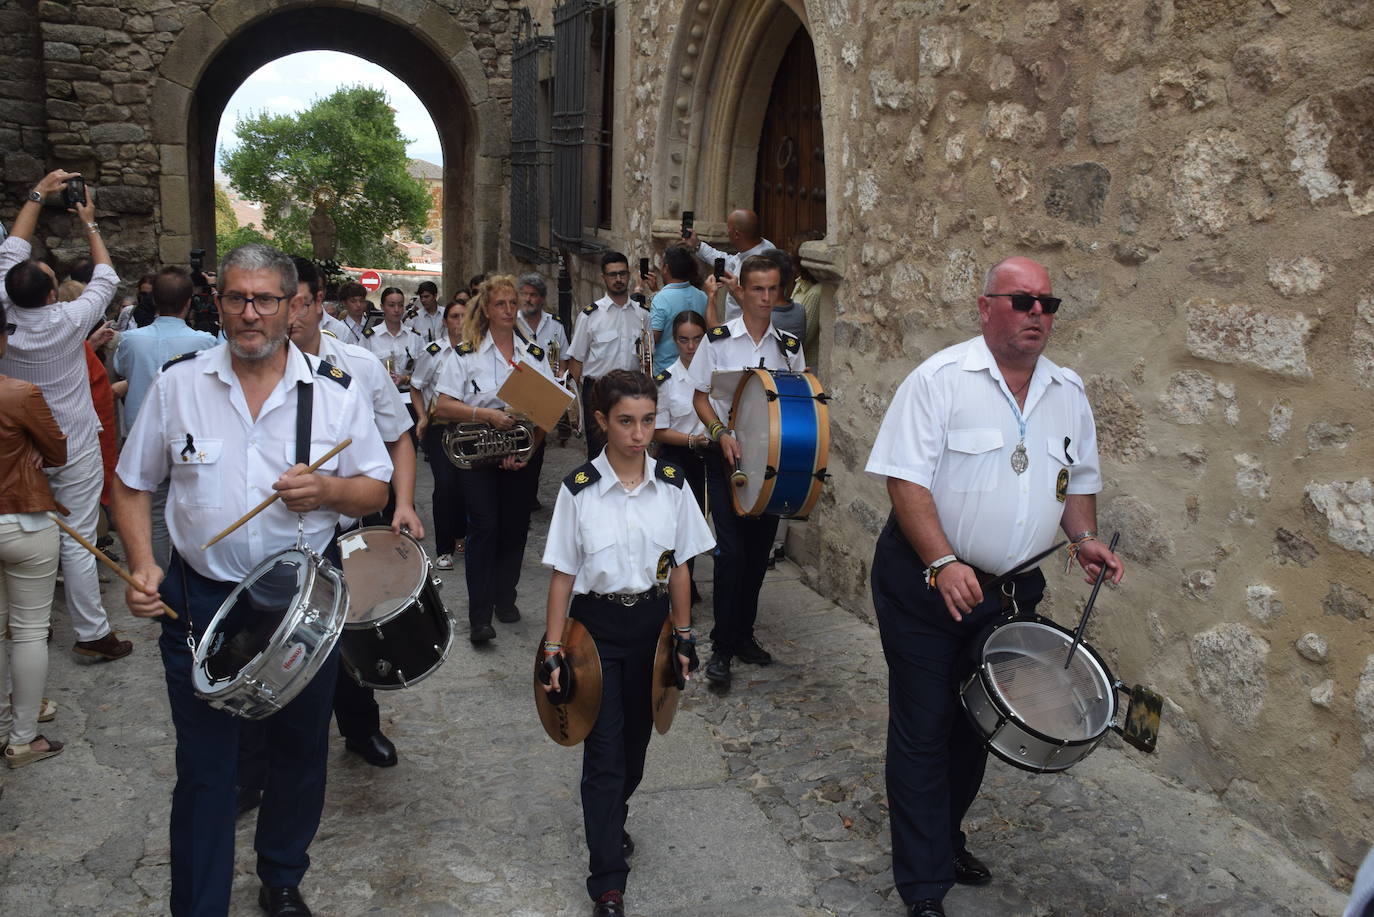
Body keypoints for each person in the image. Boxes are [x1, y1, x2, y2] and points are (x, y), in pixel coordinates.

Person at [111, 243, 392, 917]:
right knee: (206, 769)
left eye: (265, 299)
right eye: (237, 297)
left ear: (292, 305)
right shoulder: (180, 385)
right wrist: (144, 562)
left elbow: (375, 487)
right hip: (202, 601)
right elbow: (130, 484)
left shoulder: (334, 391)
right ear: (218, 303)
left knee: (299, 751)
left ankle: (282, 873)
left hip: (303, 603)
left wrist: (329, 489)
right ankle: (199, 905)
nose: (250, 313)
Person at [865, 256, 1123, 917]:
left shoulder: (1068, 391)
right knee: (923, 728)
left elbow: (1077, 480)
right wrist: (942, 561)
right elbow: (905, 480)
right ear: (986, 308)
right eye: (1022, 301)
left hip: (1008, 596)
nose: (1038, 313)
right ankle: (923, 886)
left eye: (1047, 304)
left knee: (976, 723)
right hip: (926, 584)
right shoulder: (940, 380)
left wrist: (1084, 537)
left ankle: (943, 836)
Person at [541, 369, 715, 917]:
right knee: (605, 755)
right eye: (625, 422)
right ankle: (608, 882)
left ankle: (612, 817)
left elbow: (680, 566)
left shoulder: (674, 485)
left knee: (636, 747)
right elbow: (563, 574)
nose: (639, 434)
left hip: (652, 628)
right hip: (594, 631)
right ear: (601, 421)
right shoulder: (578, 490)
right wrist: (551, 650)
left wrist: (684, 635)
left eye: (647, 421)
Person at [286, 257, 422, 769]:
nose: (289, 317)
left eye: (299, 304)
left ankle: (360, 728)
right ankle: (259, 762)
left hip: (343, 529)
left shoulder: (359, 367)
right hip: (273, 537)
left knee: (350, 631)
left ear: (320, 302)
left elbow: (399, 437)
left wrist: (403, 502)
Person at [0, 168, 130, 661]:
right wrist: (88, 220)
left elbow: (12, 248)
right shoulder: (70, 319)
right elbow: (106, 276)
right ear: (52, 294)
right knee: (77, 538)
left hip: (19, 443)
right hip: (72, 442)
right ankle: (92, 633)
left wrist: (37, 194)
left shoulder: (5, 312)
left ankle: (26, 626)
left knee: (24, 530)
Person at [689, 255, 803, 689]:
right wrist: (720, 434)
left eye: (773, 289)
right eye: (757, 288)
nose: (766, 297)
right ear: (742, 292)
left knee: (757, 556)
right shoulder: (718, 340)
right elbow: (700, 397)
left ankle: (742, 635)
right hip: (727, 459)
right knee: (731, 554)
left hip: (770, 465)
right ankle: (721, 645)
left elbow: (800, 402)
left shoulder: (788, 347)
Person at [433, 274, 558, 643]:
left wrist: (526, 452)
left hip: (521, 453)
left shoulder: (533, 354)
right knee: (484, 527)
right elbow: (443, 406)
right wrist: (485, 415)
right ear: (486, 309)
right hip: (478, 454)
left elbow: (547, 412)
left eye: (512, 303)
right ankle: (480, 616)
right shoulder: (465, 354)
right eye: (500, 304)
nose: (508, 310)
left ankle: (506, 598)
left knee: (515, 528)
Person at [0, 302, 68, 767]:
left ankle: (8, 717)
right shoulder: (19, 394)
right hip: (21, 518)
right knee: (28, 632)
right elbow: (57, 450)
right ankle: (23, 736)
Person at [112, 267, 217, 567]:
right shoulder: (205, 342)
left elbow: (121, 368)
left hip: (142, 437)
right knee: (196, 508)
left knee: (155, 513)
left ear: (153, 301)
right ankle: (192, 572)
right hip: (193, 438)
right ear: (189, 302)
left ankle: (159, 575)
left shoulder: (131, 340)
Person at [565, 252, 651, 461]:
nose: (618, 279)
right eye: (612, 275)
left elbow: (648, 359)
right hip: (598, 391)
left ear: (628, 275)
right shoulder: (589, 316)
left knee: (631, 450)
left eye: (622, 274)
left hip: (632, 392)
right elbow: (576, 361)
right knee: (599, 453)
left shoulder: (643, 315)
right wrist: (573, 409)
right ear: (603, 278)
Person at [652, 310, 709, 603]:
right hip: (678, 456)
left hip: (710, 455)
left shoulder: (717, 375)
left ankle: (687, 580)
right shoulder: (666, 381)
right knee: (676, 525)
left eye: (697, 339)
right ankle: (672, 584)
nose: (691, 346)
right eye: (684, 340)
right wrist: (690, 440)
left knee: (698, 521)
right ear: (674, 341)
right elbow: (658, 431)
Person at [410, 298, 469, 569]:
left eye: (464, 316)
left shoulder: (476, 351)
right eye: (454, 317)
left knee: (466, 485)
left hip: (469, 426)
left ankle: (461, 535)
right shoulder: (433, 352)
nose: (460, 322)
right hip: (440, 426)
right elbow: (416, 386)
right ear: (445, 321)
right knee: (445, 485)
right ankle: (444, 549)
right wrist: (422, 417)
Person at [682, 209, 773, 325]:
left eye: (728, 229)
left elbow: (757, 311)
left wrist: (712, 295)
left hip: (747, 329)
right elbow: (730, 262)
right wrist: (698, 245)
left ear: (736, 234)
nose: (727, 232)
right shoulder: (760, 246)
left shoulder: (761, 264)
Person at [647, 244, 706, 375]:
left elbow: (652, 340)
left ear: (666, 268)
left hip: (666, 372)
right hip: (695, 368)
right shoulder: (702, 296)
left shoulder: (661, 298)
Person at [363, 287, 424, 404]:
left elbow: (424, 373)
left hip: (410, 398)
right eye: (391, 305)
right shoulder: (370, 337)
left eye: (400, 305)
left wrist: (405, 379)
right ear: (382, 307)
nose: (396, 310)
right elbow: (362, 372)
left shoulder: (414, 336)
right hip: (380, 398)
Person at [516, 272, 569, 358]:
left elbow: (563, 360)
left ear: (542, 298)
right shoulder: (512, 323)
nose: (527, 299)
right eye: (524, 294)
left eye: (533, 295)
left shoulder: (555, 325)